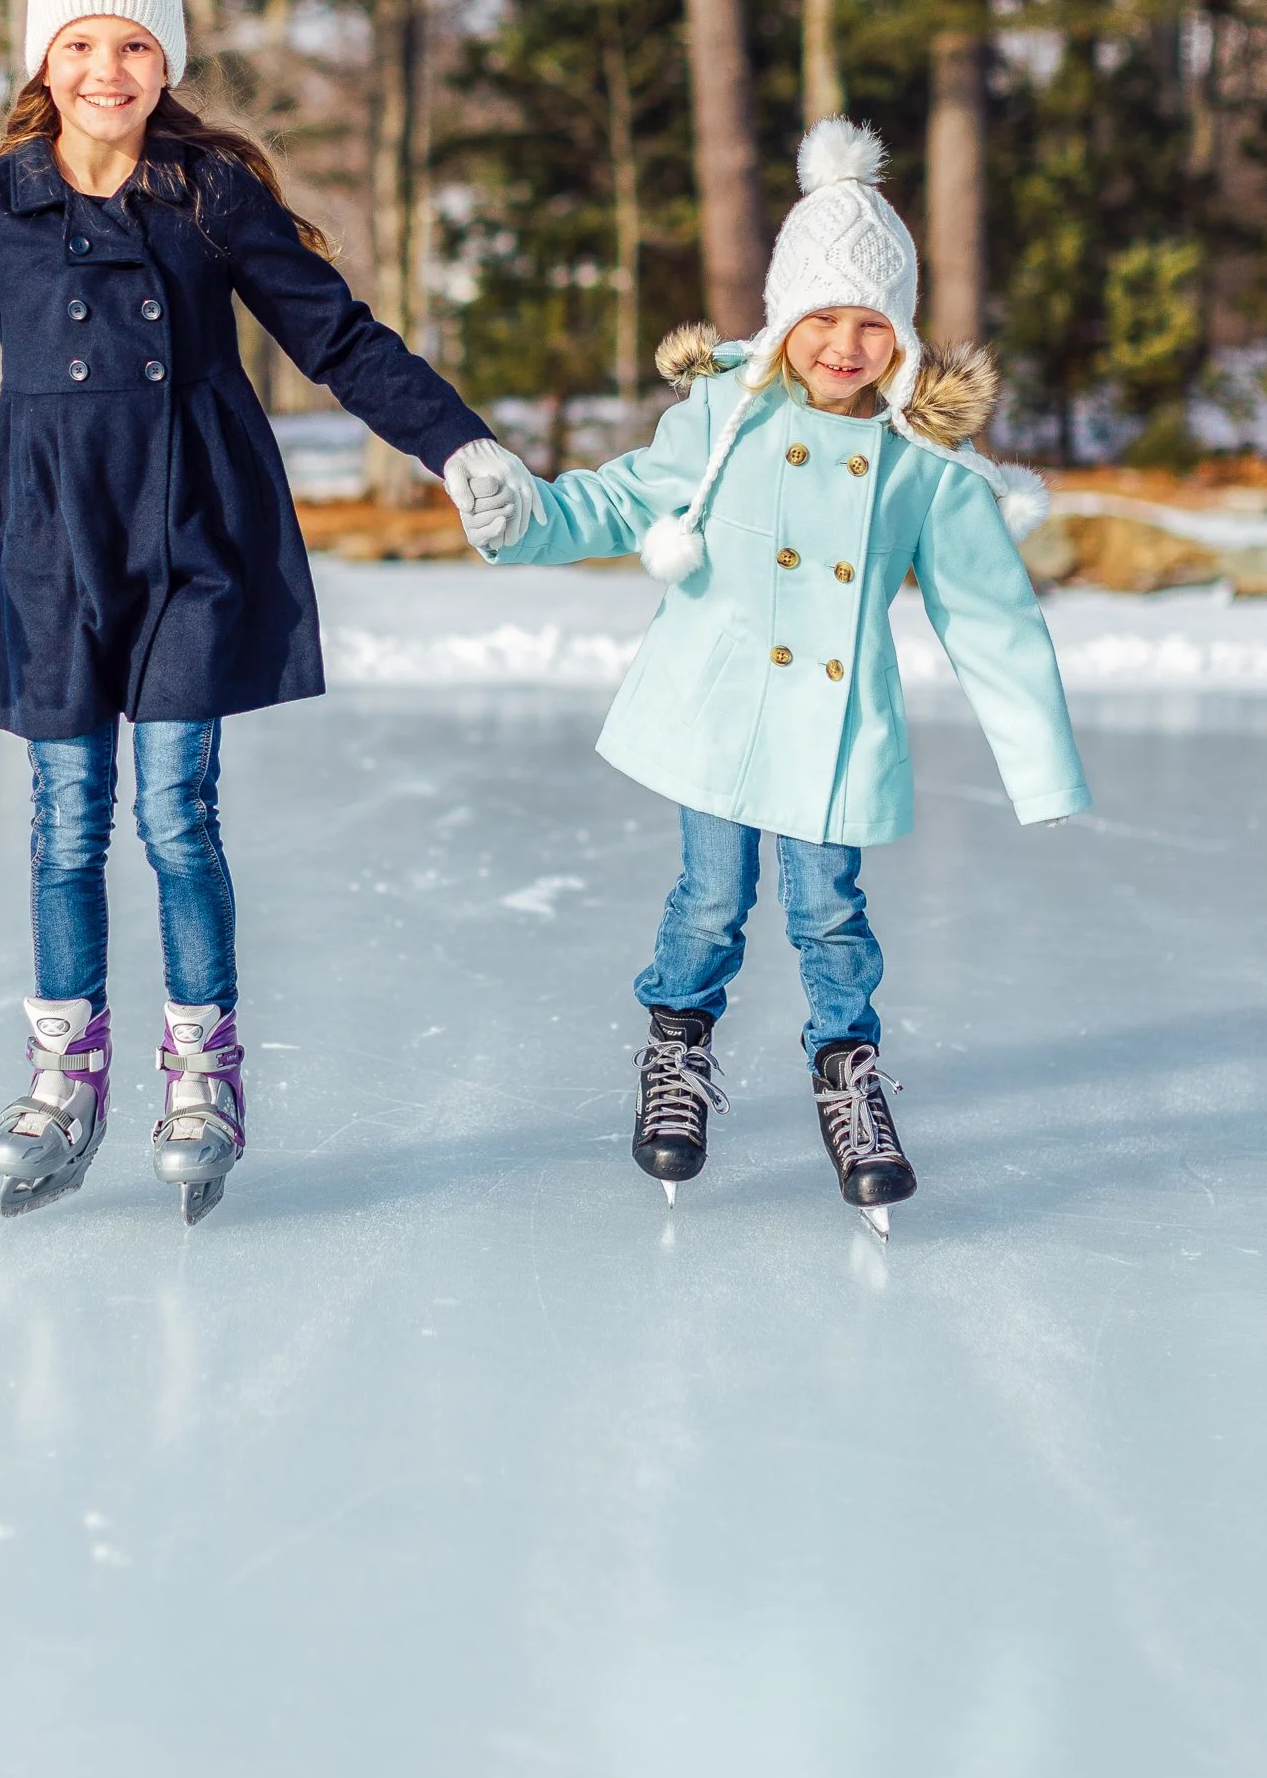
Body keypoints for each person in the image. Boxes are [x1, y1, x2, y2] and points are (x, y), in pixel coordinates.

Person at [0, 0, 536, 1223]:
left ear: (164, 58)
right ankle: (66, 1079)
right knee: (65, 826)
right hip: (53, 550)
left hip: (191, 538)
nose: (107, 69)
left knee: (175, 816)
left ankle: (202, 1074)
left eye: (133, 44)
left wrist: (459, 449)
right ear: (42, 59)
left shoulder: (208, 197)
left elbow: (339, 337)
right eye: (81, 42)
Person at [461, 117, 1090, 1234]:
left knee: (830, 912)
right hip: (720, 712)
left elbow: (989, 613)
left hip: (835, 728)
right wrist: (528, 519)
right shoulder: (723, 413)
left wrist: (1042, 768)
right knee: (710, 901)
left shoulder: (922, 463)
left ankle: (848, 1076)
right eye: (822, 319)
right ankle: (678, 1048)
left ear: (899, 336)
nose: (844, 346)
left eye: (870, 325)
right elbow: (621, 499)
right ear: (783, 319)